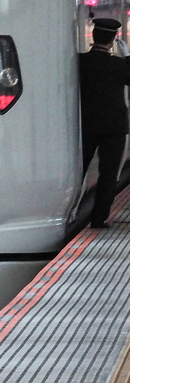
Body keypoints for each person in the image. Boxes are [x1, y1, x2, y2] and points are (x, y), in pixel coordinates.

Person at [78, 17, 130, 229]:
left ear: (93, 36)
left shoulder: (80, 61)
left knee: (79, 168)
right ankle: (99, 219)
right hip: (114, 128)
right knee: (108, 174)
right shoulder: (118, 64)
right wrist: (128, 56)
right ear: (114, 39)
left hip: (85, 125)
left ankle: (72, 208)